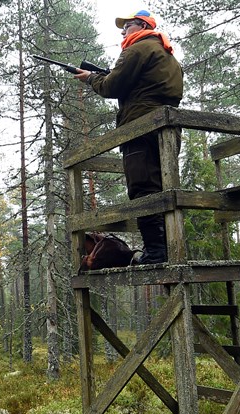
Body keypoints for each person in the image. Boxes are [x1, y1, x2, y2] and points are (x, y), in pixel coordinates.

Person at [74, 9, 183, 265]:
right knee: (163, 188)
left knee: (143, 188)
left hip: (141, 128)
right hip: (167, 129)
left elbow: (112, 87)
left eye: (128, 26)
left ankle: (157, 253)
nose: (123, 32)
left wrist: (91, 79)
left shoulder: (137, 49)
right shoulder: (168, 56)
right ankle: (167, 248)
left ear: (142, 25)